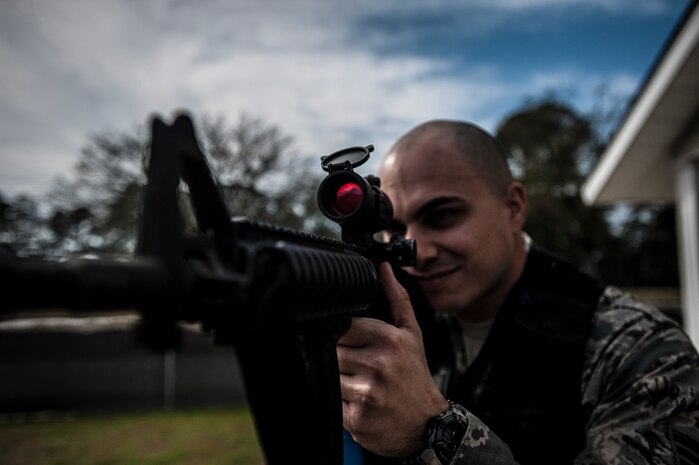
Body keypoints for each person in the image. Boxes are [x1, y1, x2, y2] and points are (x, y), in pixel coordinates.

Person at [336, 119, 699, 465]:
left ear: (514, 208)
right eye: (396, 229)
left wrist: (433, 432)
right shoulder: (394, 317)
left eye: (442, 216)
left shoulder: (639, 350)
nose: (417, 251)